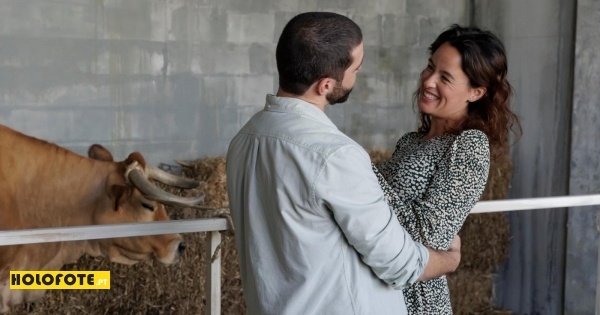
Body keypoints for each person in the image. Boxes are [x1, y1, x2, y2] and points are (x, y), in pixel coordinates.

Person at [226, 12, 463, 315]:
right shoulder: (336, 154)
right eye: (356, 68)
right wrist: (449, 259)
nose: (357, 75)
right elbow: (397, 262)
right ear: (325, 85)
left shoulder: (243, 141)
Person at [373, 24, 522, 314]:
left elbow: (429, 236)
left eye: (445, 77)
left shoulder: (469, 146)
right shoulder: (411, 142)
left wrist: (363, 177)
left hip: (415, 300)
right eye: (430, 68)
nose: (428, 81)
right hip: (381, 291)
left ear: (476, 92)